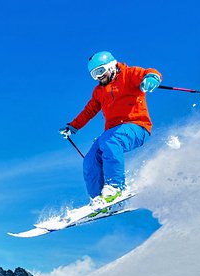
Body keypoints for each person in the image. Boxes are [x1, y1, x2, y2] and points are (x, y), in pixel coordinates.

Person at [59, 51, 162, 207]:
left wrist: (152, 78)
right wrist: (73, 126)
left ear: (111, 66)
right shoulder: (99, 92)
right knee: (90, 159)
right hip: (112, 133)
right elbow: (89, 111)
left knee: (109, 140)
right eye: (94, 74)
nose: (98, 77)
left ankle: (115, 188)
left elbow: (149, 72)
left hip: (137, 127)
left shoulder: (129, 74)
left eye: (100, 71)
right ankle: (99, 199)